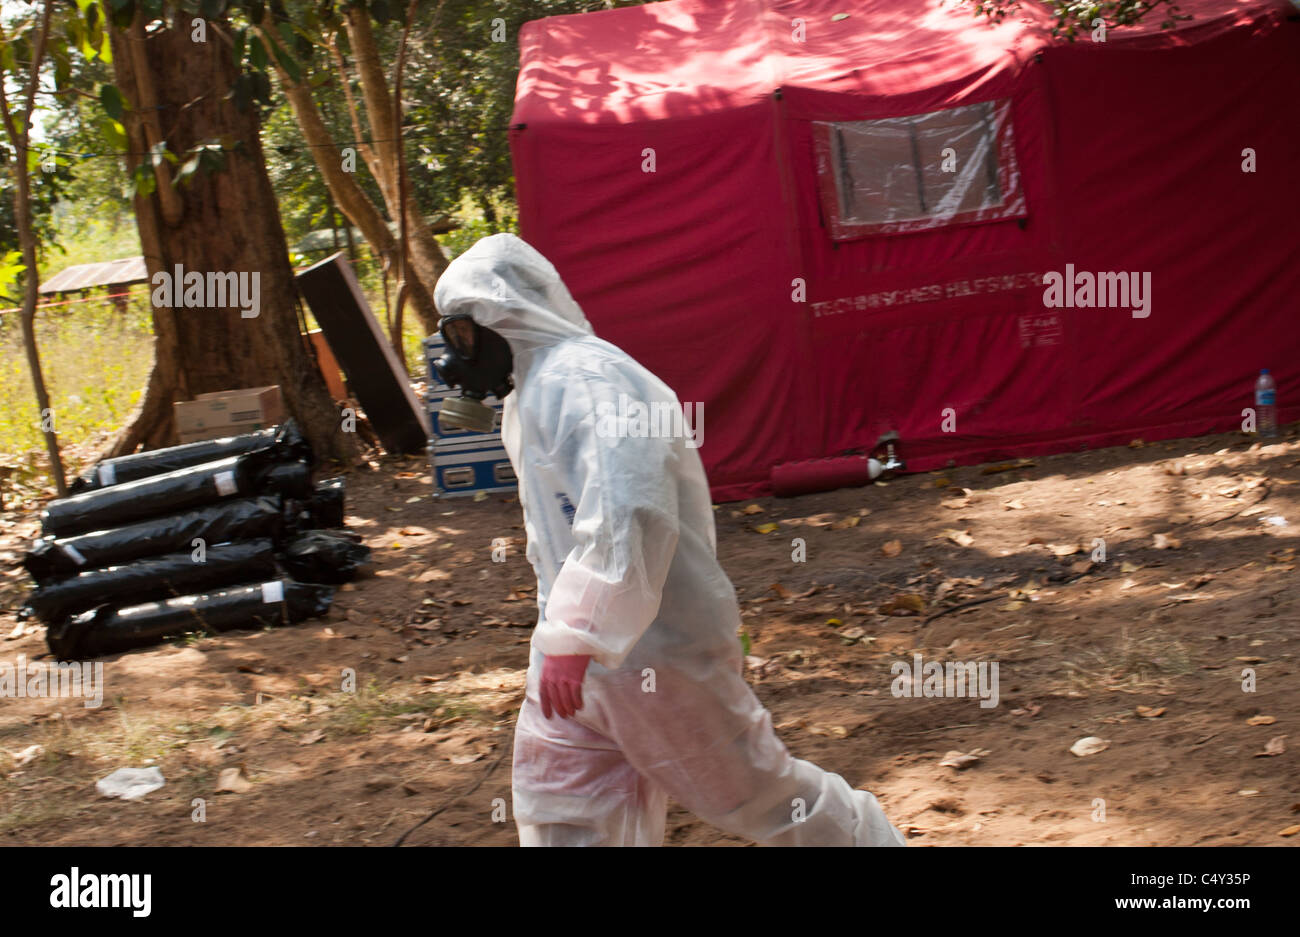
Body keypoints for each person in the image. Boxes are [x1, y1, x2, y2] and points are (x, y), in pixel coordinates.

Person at [433, 233, 905, 847]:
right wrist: (565, 639)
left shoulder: (591, 378)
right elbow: (561, 533)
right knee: (565, 806)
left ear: (508, 315)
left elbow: (630, 510)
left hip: (656, 649)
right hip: (579, 657)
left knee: (756, 794)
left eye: (467, 334)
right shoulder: (533, 395)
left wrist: (579, 635)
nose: (461, 355)